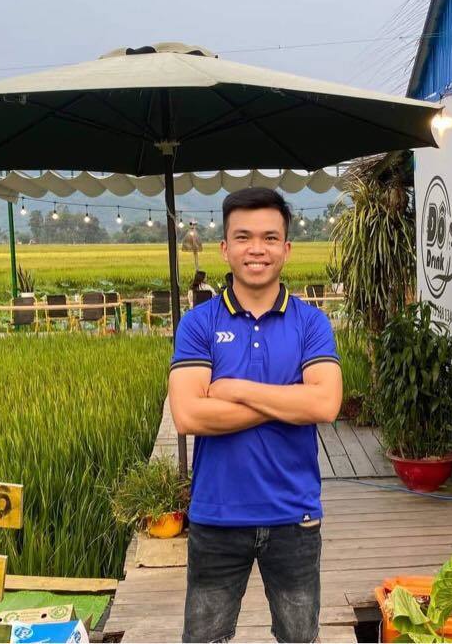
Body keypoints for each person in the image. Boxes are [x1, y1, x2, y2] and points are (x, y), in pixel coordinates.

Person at [168, 187, 343, 643]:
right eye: (243, 237)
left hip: (295, 516)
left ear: (286, 248)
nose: (257, 249)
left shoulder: (311, 323)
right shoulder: (199, 324)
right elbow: (188, 414)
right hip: (217, 515)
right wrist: (288, 403)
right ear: (225, 248)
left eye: (269, 237)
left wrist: (237, 390)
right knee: (204, 639)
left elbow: (325, 405)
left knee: (298, 638)